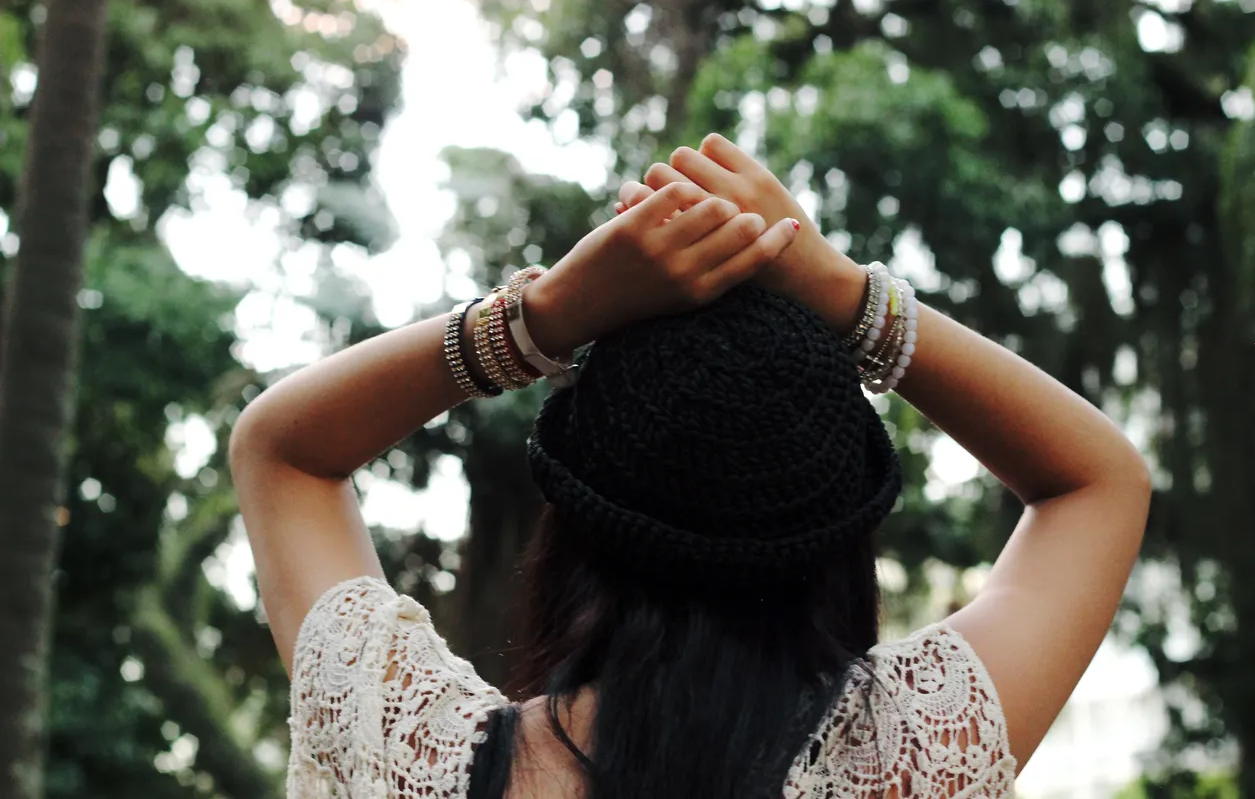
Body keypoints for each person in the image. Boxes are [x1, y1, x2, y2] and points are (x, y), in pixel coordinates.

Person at [229, 134, 1151, 799]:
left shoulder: (410, 759)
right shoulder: (913, 757)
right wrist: (840, 290)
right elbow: (1099, 481)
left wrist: (542, 316)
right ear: (838, 541)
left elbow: (282, 450)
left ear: (576, 520)